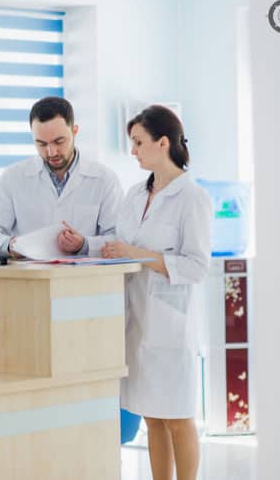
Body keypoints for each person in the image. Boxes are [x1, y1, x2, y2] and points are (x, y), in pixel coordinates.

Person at [103, 105, 211, 480]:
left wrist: (138, 256)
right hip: (138, 323)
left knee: (178, 418)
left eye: (138, 142)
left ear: (162, 142)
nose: (132, 151)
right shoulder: (135, 193)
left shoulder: (192, 197)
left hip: (171, 325)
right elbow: (118, 243)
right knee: (152, 418)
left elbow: (197, 265)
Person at [0, 96, 123, 258]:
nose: (51, 152)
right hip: (32, 280)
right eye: (41, 144)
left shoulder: (104, 179)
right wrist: (11, 246)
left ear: (74, 131)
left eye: (59, 141)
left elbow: (119, 238)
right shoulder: (13, 177)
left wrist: (85, 244)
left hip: (84, 279)